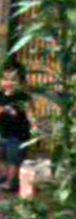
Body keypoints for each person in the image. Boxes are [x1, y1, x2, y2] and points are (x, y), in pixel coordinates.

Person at [0, 60, 33, 192]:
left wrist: (34, 125)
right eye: (5, 79)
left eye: (13, 79)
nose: (9, 83)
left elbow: (30, 113)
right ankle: (4, 177)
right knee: (3, 156)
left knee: (14, 158)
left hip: (18, 134)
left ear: (20, 81)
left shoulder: (23, 97)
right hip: (2, 132)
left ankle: (11, 182)